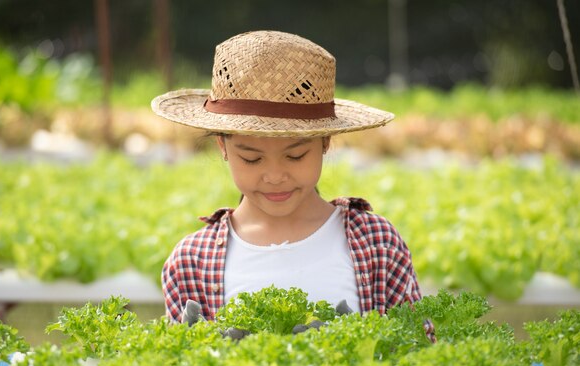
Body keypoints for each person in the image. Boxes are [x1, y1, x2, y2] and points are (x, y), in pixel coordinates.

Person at [151, 30, 435, 341]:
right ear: (222, 146)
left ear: (325, 142)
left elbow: (417, 354)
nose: (275, 176)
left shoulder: (376, 244)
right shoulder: (191, 261)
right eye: (251, 159)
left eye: (296, 155)